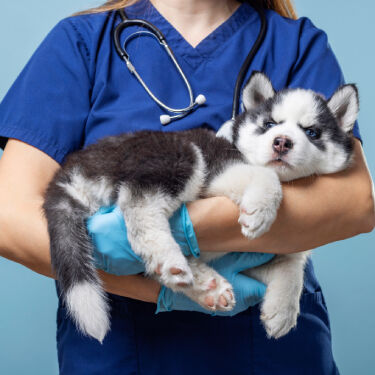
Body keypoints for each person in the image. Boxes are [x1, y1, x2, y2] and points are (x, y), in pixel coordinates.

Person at [0, 0, 373, 374]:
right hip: (127, 354)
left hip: (276, 356)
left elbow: (354, 203)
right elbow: (8, 218)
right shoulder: (83, 41)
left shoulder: (295, 43)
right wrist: (156, 284)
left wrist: (184, 229)